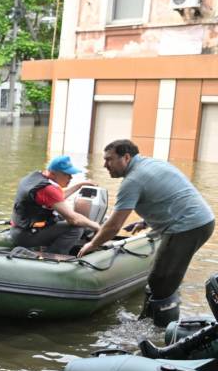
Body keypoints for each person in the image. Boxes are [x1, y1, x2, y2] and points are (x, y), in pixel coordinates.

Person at [79, 139, 215, 326]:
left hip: (187, 226)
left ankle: (163, 332)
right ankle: (147, 321)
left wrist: (92, 244)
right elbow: (171, 193)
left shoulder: (132, 180)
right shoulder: (152, 163)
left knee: (160, 281)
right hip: (201, 221)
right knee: (160, 278)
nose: (105, 165)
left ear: (126, 157)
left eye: (109, 160)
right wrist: (145, 221)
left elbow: (113, 226)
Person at [10, 155, 101, 255]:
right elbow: (74, 220)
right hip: (26, 236)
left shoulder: (36, 178)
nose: (71, 177)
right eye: (67, 174)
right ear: (53, 174)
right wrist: (97, 226)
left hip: (21, 230)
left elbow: (55, 197)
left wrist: (79, 185)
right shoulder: (47, 189)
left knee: (68, 219)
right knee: (76, 228)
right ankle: (53, 257)